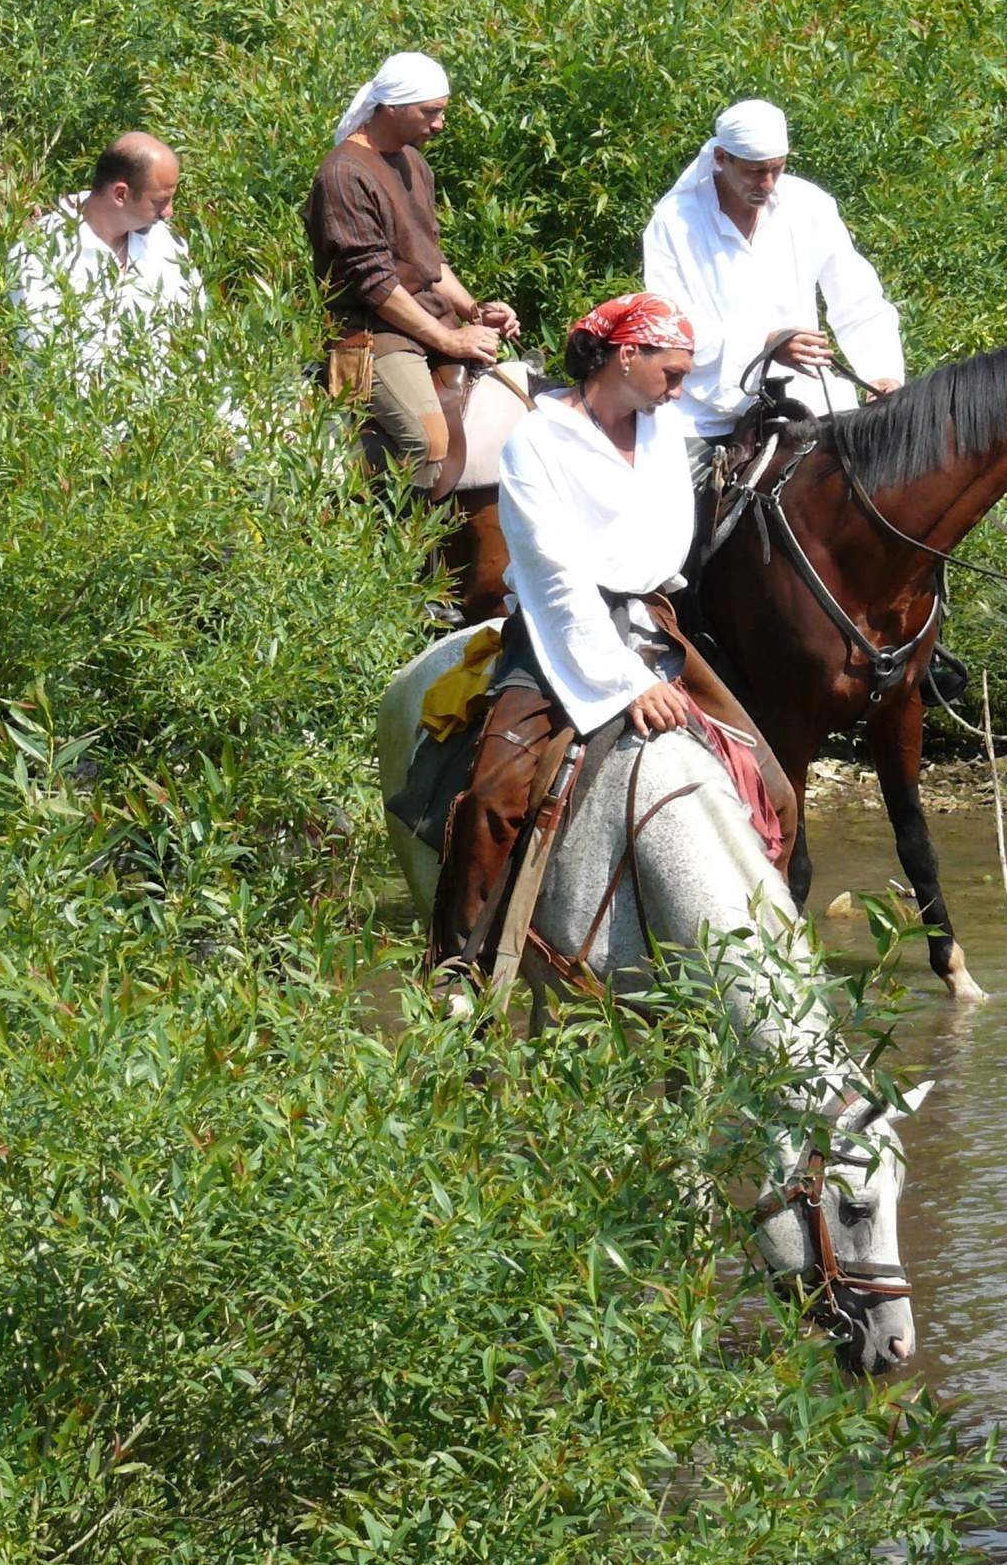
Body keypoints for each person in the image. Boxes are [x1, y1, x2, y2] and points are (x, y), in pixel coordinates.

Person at [427, 291, 797, 964]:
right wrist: (629, 684)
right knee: (493, 797)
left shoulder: (662, 430)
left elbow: (666, 552)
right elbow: (554, 577)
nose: (679, 390)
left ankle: (763, 965)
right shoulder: (537, 440)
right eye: (672, 373)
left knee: (773, 790)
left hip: (651, 623)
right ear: (627, 355)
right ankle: (460, 965)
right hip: (557, 630)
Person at [642, 97, 904, 479]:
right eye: (754, 171)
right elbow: (675, 331)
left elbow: (858, 299)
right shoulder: (674, 223)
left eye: (776, 169)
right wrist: (766, 346)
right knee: (673, 506)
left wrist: (882, 373)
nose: (766, 184)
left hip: (809, 401)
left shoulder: (810, 206)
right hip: (707, 413)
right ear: (721, 158)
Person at [303, 50, 520, 496]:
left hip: (425, 320)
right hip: (372, 332)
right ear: (391, 107)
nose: (439, 124)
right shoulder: (343, 173)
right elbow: (376, 285)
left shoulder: (414, 163)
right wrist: (449, 340)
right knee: (425, 440)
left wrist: (475, 311)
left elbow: (430, 262)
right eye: (430, 112)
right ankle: (378, 533)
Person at [11, 132, 205, 376]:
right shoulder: (41, 252)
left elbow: (197, 335)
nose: (169, 212)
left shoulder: (168, 245)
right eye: (160, 201)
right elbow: (46, 360)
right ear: (120, 194)